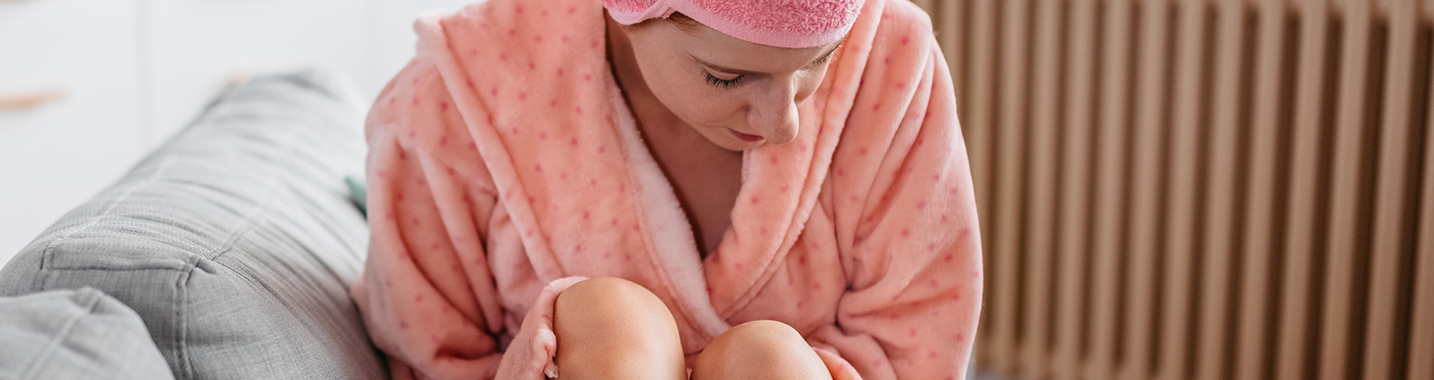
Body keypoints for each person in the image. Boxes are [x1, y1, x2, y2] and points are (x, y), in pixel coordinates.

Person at [351, 0, 981, 378]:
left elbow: (916, 344)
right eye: (727, 76)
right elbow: (429, 357)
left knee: (767, 361)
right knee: (613, 324)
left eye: (819, 62)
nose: (783, 123)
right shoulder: (455, 105)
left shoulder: (892, 62)